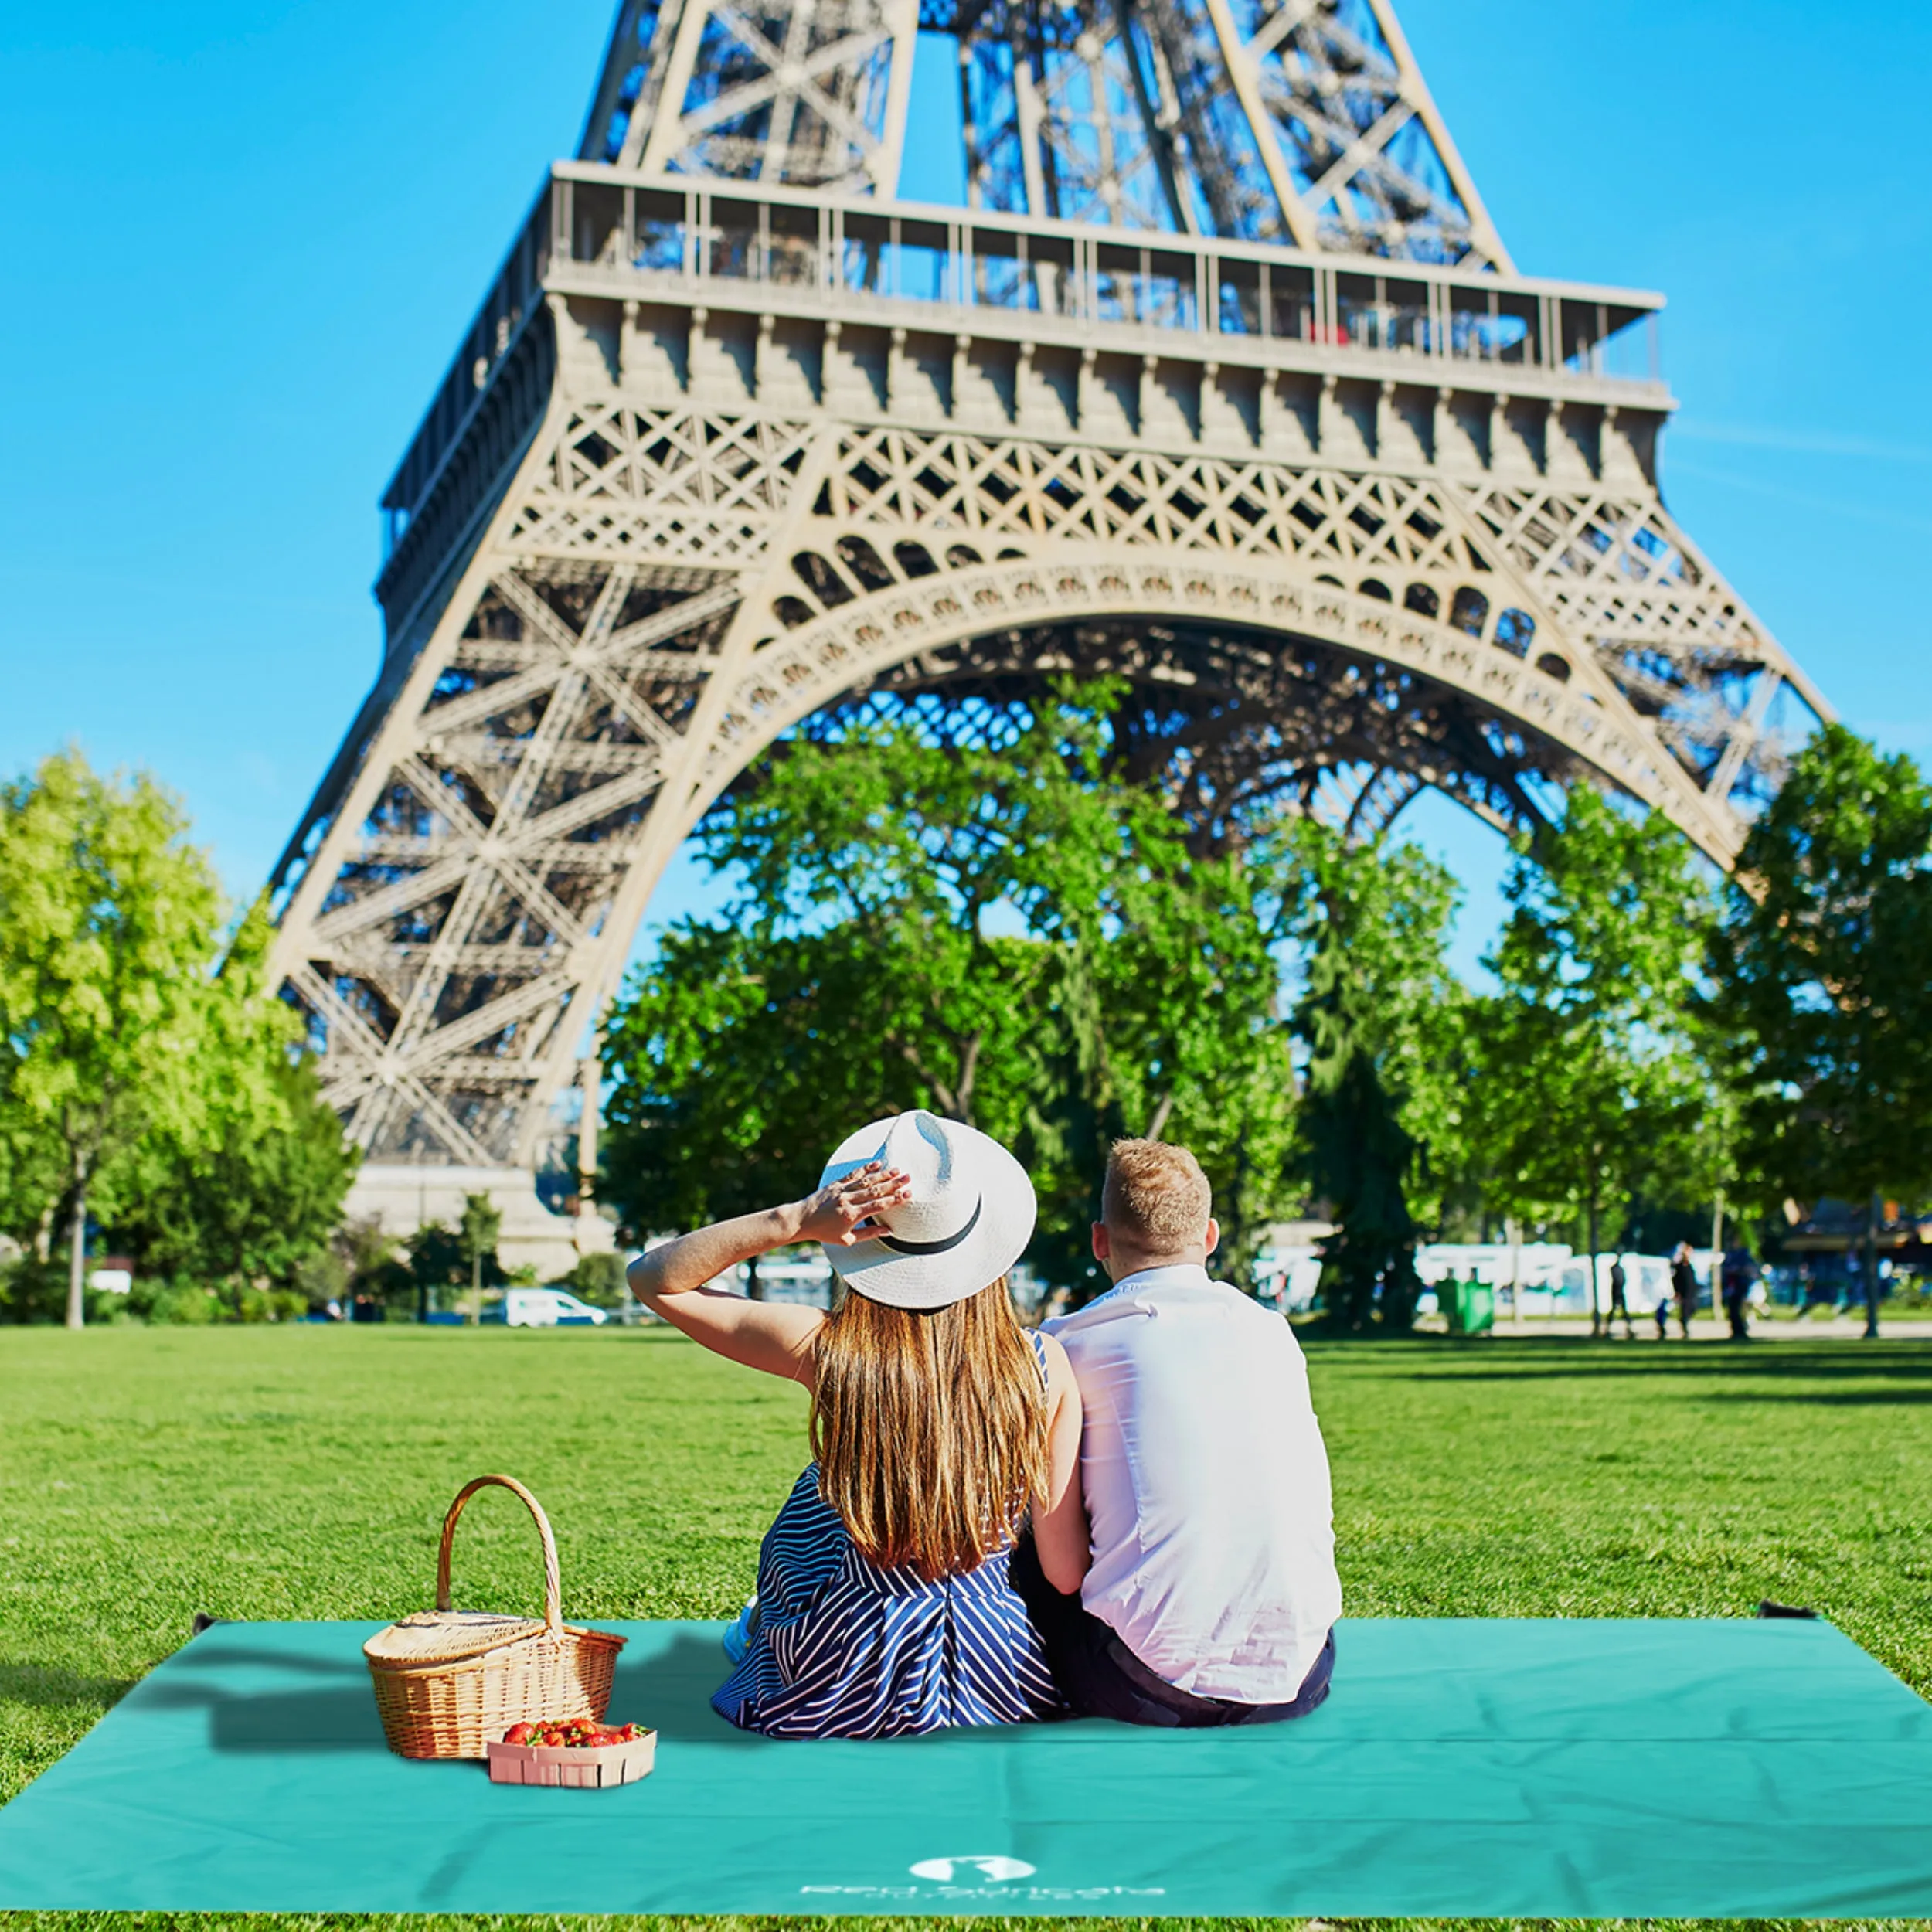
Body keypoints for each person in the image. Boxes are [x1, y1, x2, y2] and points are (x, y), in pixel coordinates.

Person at [626, 1109, 1087, 1738]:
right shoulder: (1043, 1364)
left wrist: (793, 1220)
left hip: (842, 1668)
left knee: (816, 1491)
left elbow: (655, 1281)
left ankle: (764, 1625)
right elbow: (1063, 1570)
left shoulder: (828, 1348)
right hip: (996, 1668)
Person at [1012, 1138, 1341, 1727]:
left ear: (1099, 1242)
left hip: (1141, 1685)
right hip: (1300, 1674)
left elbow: (1061, 1573)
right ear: (1210, 1236)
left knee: (1019, 1521)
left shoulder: (1067, 1345)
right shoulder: (1272, 1333)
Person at [1721, 1246, 1754, 1341]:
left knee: (1739, 1310)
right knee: (1734, 1310)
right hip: (1733, 1289)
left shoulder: (1741, 1259)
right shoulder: (1731, 1257)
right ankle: (1737, 1330)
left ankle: (1741, 1330)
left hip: (1739, 1288)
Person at [1670, 1242, 1697, 1340]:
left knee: (1693, 1308)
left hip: (1691, 1293)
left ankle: (1684, 1323)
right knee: (1685, 1311)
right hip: (1684, 1293)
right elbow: (1675, 1280)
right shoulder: (1679, 1266)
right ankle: (1685, 1329)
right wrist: (1677, 1292)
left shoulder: (1690, 1266)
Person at [1606, 1256, 1634, 1339]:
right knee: (1618, 1311)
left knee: (1622, 1311)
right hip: (1617, 1291)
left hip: (1619, 1291)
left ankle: (1628, 1328)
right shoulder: (1616, 1269)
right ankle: (1608, 1328)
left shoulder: (1618, 1269)